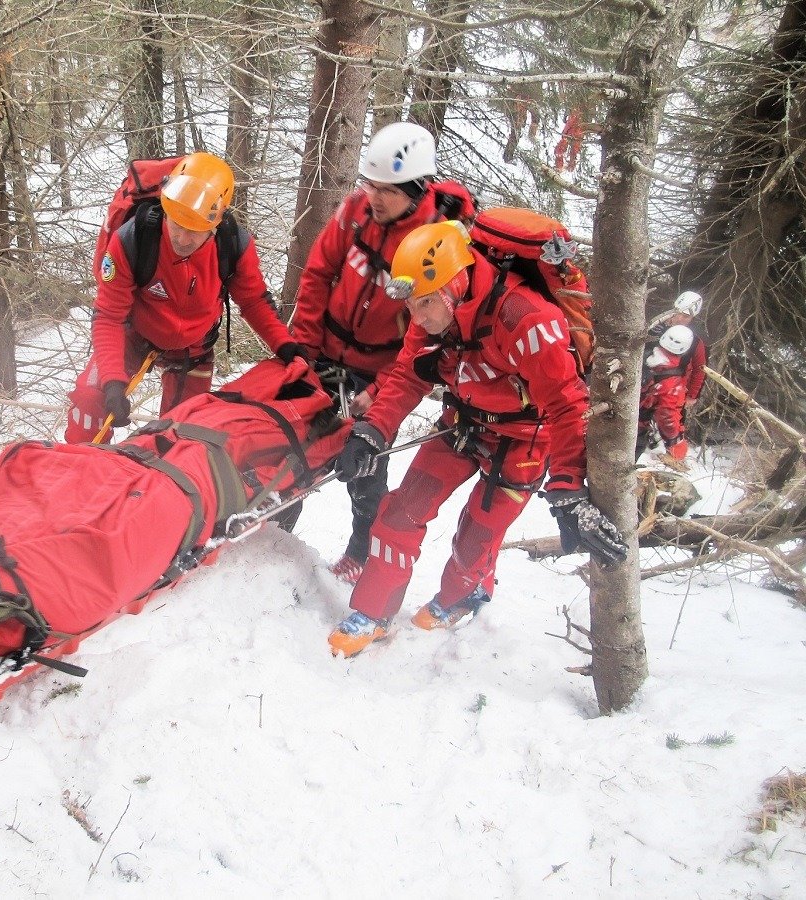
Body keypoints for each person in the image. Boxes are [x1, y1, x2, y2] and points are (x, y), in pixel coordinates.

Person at [325, 220, 627, 658]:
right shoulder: (430, 318)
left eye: (426, 303)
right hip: (463, 424)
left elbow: (568, 407)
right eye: (412, 305)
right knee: (400, 512)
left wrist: (568, 489)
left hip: (525, 439)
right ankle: (374, 612)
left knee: (477, 535)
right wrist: (371, 432)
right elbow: (407, 375)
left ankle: (461, 596)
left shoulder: (526, 320)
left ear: (456, 282)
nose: (420, 317)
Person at [288, 122, 476, 585]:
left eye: (387, 190)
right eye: (370, 184)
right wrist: (304, 353)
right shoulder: (355, 213)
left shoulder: (437, 240)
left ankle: (360, 546)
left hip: (382, 367)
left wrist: (379, 389)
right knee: (294, 443)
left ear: (416, 190)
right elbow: (315, 277)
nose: (373, 196)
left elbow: (427, 336)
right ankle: (277, 531)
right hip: (326, 350)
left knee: (364, 465)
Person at [65, 152, 307, 443]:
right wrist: (113, 382)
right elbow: (109, 316)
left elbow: (254, 301)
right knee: (90, 402)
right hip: (134, 333)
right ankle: (80, 473)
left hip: (193, 346)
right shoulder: (134, 239)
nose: (182, 239)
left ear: (215, 225)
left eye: (195, 231)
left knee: (182, 436)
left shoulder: (233, 245)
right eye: (176, 224)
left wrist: (286, 345)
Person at [636, 325, 695, 461]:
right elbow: (667, 415)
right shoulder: (671, 383)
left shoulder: (642, 354)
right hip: (632, 425)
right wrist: (675, 442)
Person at [647, 290, 708, 412]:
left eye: (686, 316)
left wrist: (692, 395)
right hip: (645, 388)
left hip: (673, 393)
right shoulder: (654, 329)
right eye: (679, 313)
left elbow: (700, 369)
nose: (680, 318)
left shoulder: (694, 341)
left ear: (692, 318)